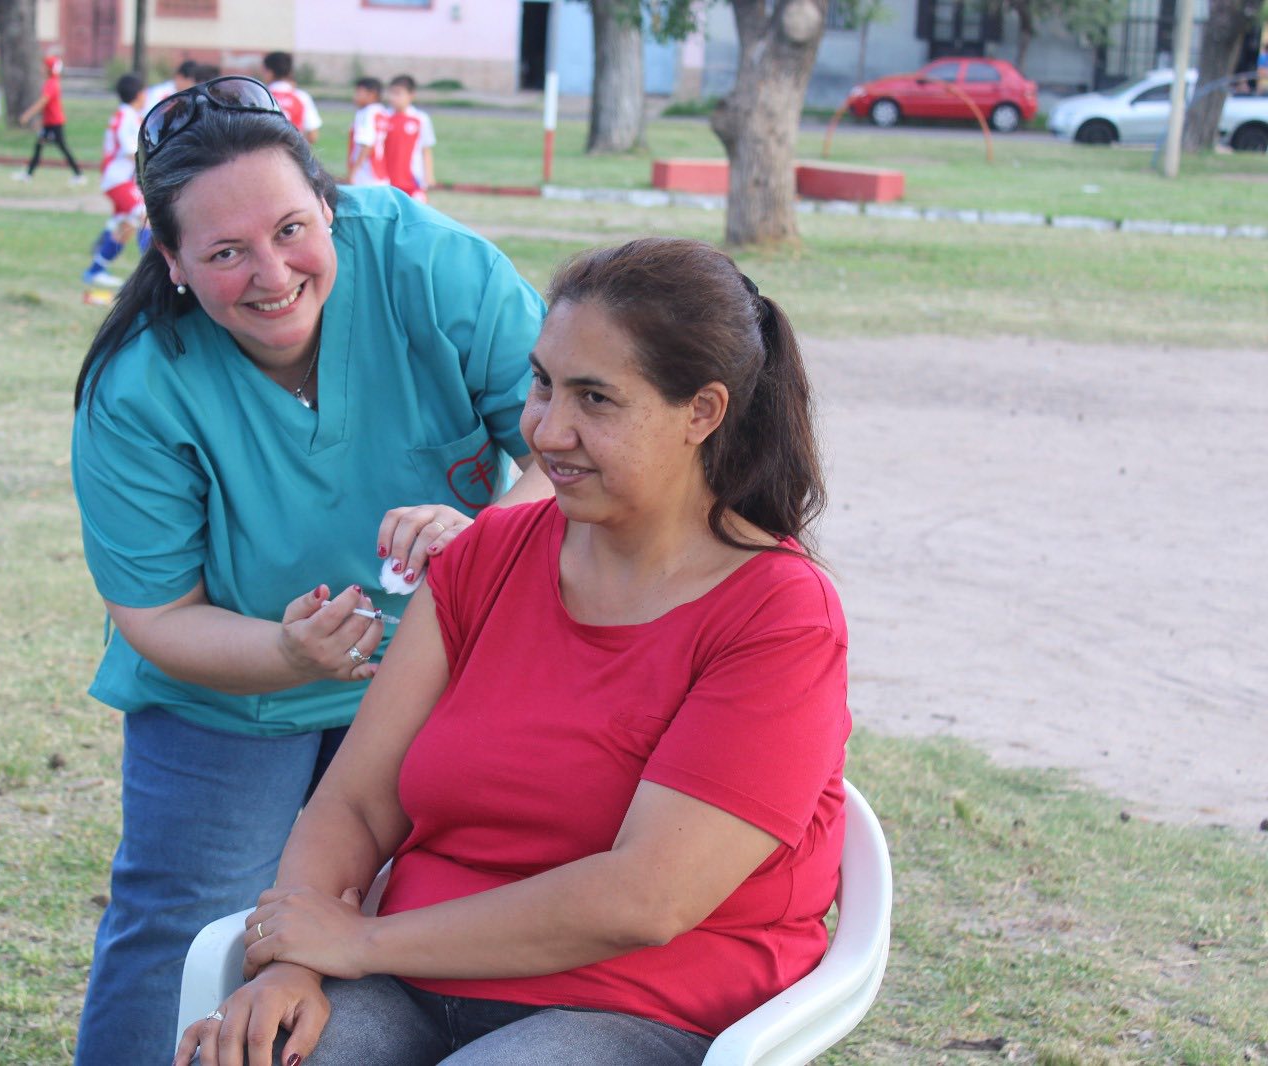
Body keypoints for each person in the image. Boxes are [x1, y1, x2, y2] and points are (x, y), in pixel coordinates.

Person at [175, 237, 851, 1066]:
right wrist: (292, 964)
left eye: (596, 399)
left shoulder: (779, 615)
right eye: (542, 383)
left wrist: (357, 947)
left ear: (702, 413)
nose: (546, 429)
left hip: (636, 1001)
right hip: (414, 977)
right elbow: (353, 804)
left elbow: (645, 898)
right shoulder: (488, 553)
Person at [69, 74, 552, 1066]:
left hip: (432, 677)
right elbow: (157, 613)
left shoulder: (426, 263)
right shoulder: (137, 388)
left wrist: (487, 531)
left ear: (328, 204)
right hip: (229, 694)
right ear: (170, 262)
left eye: (292, 229)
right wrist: (289, 651)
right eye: (224, 253)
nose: (270, 273)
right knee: (188, 930)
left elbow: (570, 441)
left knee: (395, 925)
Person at [82, 73, 147, 290]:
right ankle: (156, 274)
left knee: (125, 226)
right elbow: (130, 151)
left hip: (119, 179)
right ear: (139, 95)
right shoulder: (127, 116)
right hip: (118, 180)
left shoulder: (127, 114)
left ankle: (96, 270)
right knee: (144, 217)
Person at [15, 55, 85, 183]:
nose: (41, 68)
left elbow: (42, 102)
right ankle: (29, 174)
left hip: (55, 123)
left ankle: (79, 174)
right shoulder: (51, 82)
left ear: (49, 69)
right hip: (49, 123)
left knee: (62, 148)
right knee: (39, 146)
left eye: (44, 66)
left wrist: (27, 115)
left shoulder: (51, 84)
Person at [381, 75, 434, 203]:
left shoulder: (420, 119)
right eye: (391, 93)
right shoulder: (383, 117)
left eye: (398, 94)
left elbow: (426, 150)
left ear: (411, 95)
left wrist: (429, 175)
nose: (393, 98)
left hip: (412, 179)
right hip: (387, 178)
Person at [263, 51, 322, 143]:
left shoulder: (261, 96)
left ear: (269, 72)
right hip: (292, 152)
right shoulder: (302, 97)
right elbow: (312, 135)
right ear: (290, 72)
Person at [345, 77, 388, 186]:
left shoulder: (365, 114)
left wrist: (354, 172)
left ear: (372, 94)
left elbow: (366, 144)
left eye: (359, 93)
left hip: (366, 172)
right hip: (380, 171)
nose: (355, 97)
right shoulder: (382, 112)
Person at [146, 59, 214, 115]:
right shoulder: (160, 93)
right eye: (189, 81)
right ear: (179, 77)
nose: (191, 85)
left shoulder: (187, 95)